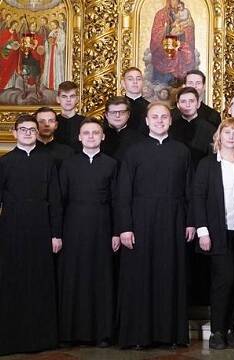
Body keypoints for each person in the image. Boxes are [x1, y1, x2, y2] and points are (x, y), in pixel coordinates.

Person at [116, 102, 195, 349]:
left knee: (170, 273)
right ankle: (140, 335)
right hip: (140, 221)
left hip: (173, 219)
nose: (160, 120)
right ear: (147, 121)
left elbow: (190, 191)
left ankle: (170, 334)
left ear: (170, 121)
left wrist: (191, 222)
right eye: (155, 117)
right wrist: (125, 227)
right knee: (140, 276)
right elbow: (123, 193)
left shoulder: (182, 151)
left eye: (164, 117)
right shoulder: (133, 152)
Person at [0, 115, 62, 355]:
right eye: (23, 129)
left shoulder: (48, 162)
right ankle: (11, 338)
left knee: (40, 282)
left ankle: (41, 339)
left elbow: (56, 200)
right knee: (12, 282)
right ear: (14, 133)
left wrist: (56, 234)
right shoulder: (4, 163)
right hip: (11, 228)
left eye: (32, 129)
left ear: (38, 133)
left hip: (42, 228)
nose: (27, 133)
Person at [57, 118, 119, 347]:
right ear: (79, 137)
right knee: (73, 279)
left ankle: (101, 333)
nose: (91, 136)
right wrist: (58, 233)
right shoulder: (68, 164)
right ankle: (70, 333)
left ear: (103, 136)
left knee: (100, 279)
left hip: (103, 227)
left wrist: (116, 232)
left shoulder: (112, 164)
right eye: (86, 133)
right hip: (72, 228)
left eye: (95, 133)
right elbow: (60, 201)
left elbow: (116, 201)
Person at [192, 118, 234, 350]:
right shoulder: (207, 164)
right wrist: (202, 231)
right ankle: (217, 330)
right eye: (227, 132)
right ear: (219, 136)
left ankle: (232, 330)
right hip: (217, 232)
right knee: (223, 280)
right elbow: (198, 198)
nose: (231, 136)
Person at [170, 86, 217, 165]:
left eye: (191, 101)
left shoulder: (210, 129)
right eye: (183, 101)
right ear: (178, 105)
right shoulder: (171, 128)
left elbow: (213, 158)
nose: (187, 105)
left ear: (198, 104)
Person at [102, 96, 145, 162]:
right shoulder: (97, 137)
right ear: (106, 115)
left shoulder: (139, 138)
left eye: (122, 112)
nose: (117, 116)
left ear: (128, 114)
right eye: (113, 112)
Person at [55, 81, 85, 152]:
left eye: (72, 96)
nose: (68, 100)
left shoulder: (85, 123)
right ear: (58, 99)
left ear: (77, 99)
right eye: (64, 96)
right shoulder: (52, 122)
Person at [121, 67, 150, 133]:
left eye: (138, 79)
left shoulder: (150, 107)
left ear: (143, 83)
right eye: (130, 79)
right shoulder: (114, 107)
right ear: (123, 83)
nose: (135, 82)